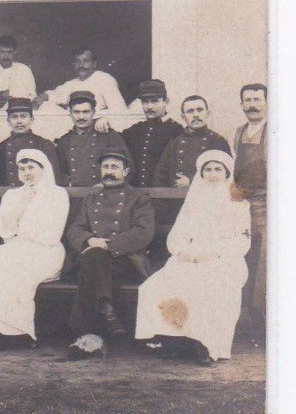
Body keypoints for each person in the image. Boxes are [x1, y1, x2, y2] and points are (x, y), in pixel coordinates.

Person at [135, 151, 251, 364]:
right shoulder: (195, 198)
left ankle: (206, 343)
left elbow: (242, 240)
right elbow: (178, 233)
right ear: (201, 172)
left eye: (218, 169)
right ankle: (174, 340)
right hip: (192, 255)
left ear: (226, 172)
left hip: (225, 258)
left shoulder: (237, 201)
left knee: (209, 284)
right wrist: (181, 252)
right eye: (208, 169)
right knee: (158, 284)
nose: (213, 174)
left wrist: (216, 254)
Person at [0, 149, 68, 352]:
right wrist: (21, 205)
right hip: (15, 249)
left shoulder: (57, 194)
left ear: (43, 168)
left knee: (18, 274)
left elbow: (51, 234)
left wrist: (21, 233)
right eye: (22, 168)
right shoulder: (13, 195)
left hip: (46, 251)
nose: (27, 172)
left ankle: (22, 332)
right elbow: (3, 230)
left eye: (31, 167)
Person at [66, 150, 155, 357]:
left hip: (124, 258)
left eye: (114, 167)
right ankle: (107, 312)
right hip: (94, 256)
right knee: (93, 258)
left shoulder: (138, 198)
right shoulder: (91, 198)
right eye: (105, 167)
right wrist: (89, 240)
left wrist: (109, 245)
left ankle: (87, 335)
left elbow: (143, 232)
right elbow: (75, 229)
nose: (109, 172)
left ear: (125, 171)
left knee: (92, 262)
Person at [33, 45, 142, 134]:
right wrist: (36, 101)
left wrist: (103, 119)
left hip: (99, 128)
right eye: (77, 61)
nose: (81, 65)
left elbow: (119, 111)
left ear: (94, 63)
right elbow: (51, 95)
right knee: (46, 106)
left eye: (86, 61)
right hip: (77, 127)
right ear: (73, 64)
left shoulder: (105, 79)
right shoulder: (70, 84)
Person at [233, 83, 267, 337]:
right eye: (247, 100)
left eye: (257, 99)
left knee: (265, 258)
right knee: (244, 254)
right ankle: (242, 316)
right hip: (243, 204)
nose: (252, 105)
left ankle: (263, 318)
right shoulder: (238, 132)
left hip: (268, 203)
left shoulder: (277, 130)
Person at [56, 91, 132, 187]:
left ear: (93, 112)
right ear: (70, 113)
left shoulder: (108, 136)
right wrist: (69, 183)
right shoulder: (64, 141)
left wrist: (107, 184)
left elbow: (129, 167)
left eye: (86, 112)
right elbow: (58, 172)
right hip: (75, 195)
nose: (81, 117)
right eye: (76, 112)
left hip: (103, 195)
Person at [153, 95, 231, 187]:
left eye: (200, 110)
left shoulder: (217, 141)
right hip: (175, 198)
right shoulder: (175, 142)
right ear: (183, 116)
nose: (195, 115)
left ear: (207, 113)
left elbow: (226, 174)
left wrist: (191, 181)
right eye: (190, 111)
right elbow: (160, 175)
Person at [121, 79, 182, 187]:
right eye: (145, 101)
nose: (149, 106)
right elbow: (116, 140)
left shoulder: (176, 130)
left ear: (166, 101)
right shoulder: (136, 130)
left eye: (154, 101)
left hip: (163, 195)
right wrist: (102, 121)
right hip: (137, 195)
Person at [0, 97, 62, 186]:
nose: (19, 121)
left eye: (23, 116)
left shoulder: (44, 145)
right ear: (8, 121)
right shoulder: (1, 147)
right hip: (10, 197)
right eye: (14, 117)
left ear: (31, 119)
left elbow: (54, 177)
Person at [0, 35, 36, 111]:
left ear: (15, 52)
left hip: (19, 112)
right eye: (2, 52)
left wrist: (10, 92)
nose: (6, 56)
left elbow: (32, 95)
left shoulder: (24, 69)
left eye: (9, 52)